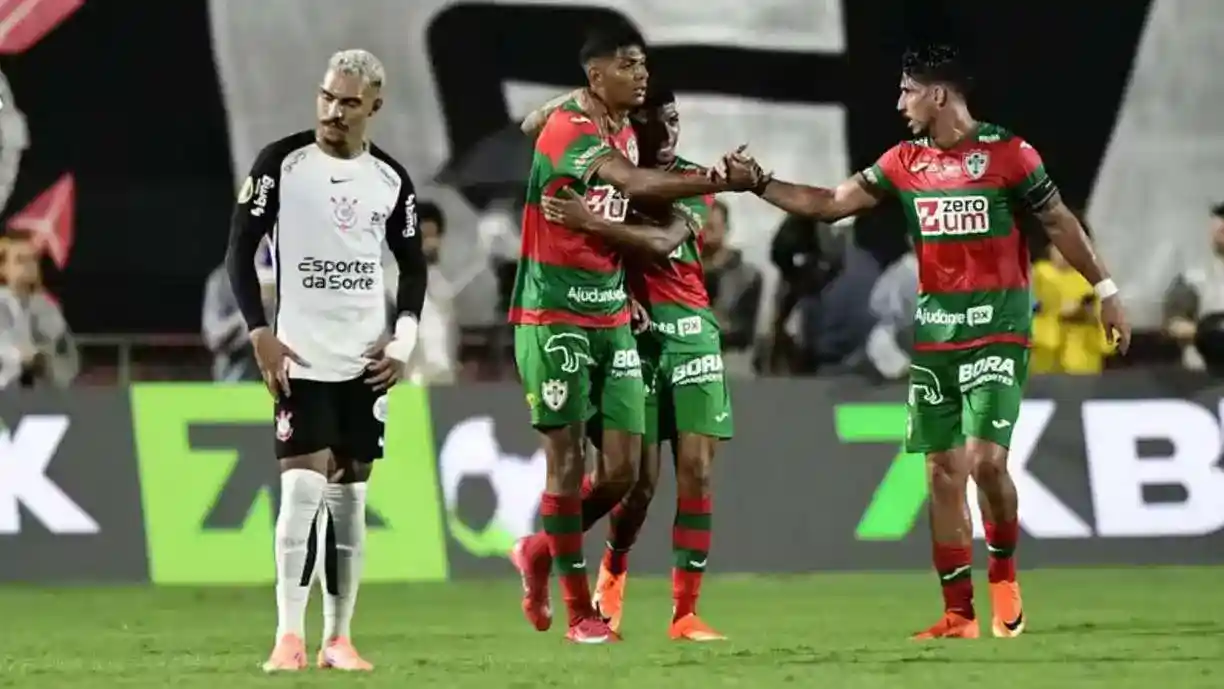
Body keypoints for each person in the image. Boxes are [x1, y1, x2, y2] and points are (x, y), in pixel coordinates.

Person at [731, 44, 1131, 639]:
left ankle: (1003, 574)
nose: (899, 104)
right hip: (937, 336)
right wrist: (759, 184)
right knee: (943, 472)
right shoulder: (902, 162)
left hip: (998, 329)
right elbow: (831, 205)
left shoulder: (1009, 154)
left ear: (938, 94)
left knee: (985, 463)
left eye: (907, 91)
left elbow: (1058, 222)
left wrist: (1104, 287)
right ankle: (959, 614)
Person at [506, 25, 760, 644]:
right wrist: (719, 181)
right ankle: (580, 613)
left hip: (615, 318)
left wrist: (595, 220)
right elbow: (636, 185)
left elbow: (656, 222)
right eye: (630, 65)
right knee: (568, 463)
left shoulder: (620, 127)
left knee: (624, 475)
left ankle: (539, 550)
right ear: (599, 75)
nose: (642, 76)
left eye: (644, 66)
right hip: (555, 315)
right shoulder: (577, 130)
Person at [224, 49, 426, 672]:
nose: (333, 112)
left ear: (373, 107)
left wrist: (404, 341)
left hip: (364, 363)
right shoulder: (280, 166)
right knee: (301, 489)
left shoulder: (390, 181)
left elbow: (413, 264)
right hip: (301, 359)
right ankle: (288, 636)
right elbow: (239, 251)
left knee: (350, 499)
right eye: (326, 98)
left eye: (347, 103)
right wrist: (260, 331)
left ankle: (338, 639)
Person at [540, 87, 731, 641]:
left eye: (675, 119)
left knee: (695, 469)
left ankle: (686, 612)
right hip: (631, 336)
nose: (669, 131)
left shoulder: (695, 181)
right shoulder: (605, 177)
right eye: (656, 121)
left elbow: (665, 242)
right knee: (635, 484)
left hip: (692, 333)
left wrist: (590, 222)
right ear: (633, 125)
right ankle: (613, 575)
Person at [0, 233, 78, 389]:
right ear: (2, 268)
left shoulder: (44, 306)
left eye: (33, 259)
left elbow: (65, 359)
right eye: (21, 260)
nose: (30, 266)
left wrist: (38, 358)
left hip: (40, 396)